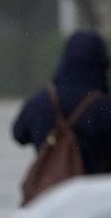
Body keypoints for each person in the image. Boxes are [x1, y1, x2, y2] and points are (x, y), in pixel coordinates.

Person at [13, 30, 111, 176]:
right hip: (95, 194)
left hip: (51, 194)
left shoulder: (40, 102)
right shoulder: (104, 107)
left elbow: (19, 134)